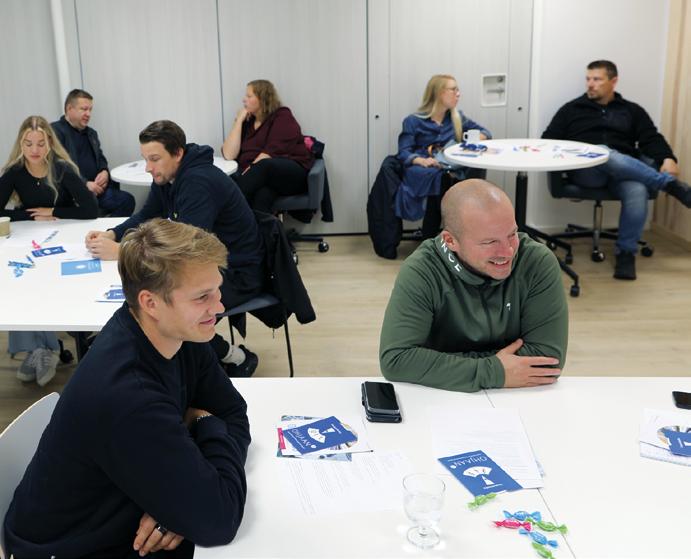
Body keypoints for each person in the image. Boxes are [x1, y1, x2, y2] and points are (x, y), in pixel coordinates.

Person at [5, 219, 251, 558]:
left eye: (217, 290)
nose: (219, 307)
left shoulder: (178, 334)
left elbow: (234, 412)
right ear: (151, 303)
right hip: (72, 547)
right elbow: (219, 519)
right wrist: (204, 423)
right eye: (202, 297)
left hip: (117, 507)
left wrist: (180, 507)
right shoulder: (129, 394)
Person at [85, 120, 264, 377]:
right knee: (155, 304)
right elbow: (147, 214)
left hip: (237, 272)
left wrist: (120, 251)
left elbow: (184, 250)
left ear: (178, 153)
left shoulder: (198, 182)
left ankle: (235, 358)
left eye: (154, 159)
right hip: (206, 267)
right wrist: (113, 233)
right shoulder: (169, 176)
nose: (148, 168)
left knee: (166, 309)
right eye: (146, 159)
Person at [379, 179, 568, 392]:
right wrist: (494, 370)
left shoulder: (536, 262)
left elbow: (547, 362)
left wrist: (441, 365)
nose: (507, 251)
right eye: (490, 242)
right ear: (450, 241)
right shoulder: (422, 271)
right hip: (442, 396)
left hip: (515, 393)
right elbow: (396, 359)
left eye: (512, 234)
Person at [542, 60, 691, 280]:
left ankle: (626, 254)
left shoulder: (632, 111)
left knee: (637, 190)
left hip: (623, 172)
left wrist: (668, 158)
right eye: (588, 79)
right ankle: (668, 185)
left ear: (613, 81)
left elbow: (651, 138)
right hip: (587, 172)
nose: (590, 84)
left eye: (597, 79)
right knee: (602, 151)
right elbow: (548, 140)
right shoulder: (571, 110)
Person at [0, 115, 98, 387]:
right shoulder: (15, 171)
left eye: (40, 143)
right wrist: (30, 216)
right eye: (28, 143)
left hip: (64, 238)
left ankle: (46, 348)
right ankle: (38, 349)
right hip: (29, 240)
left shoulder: (61, 168)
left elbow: (90, 209)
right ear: (21, 144)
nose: (34, 150)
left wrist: (54, 211)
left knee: (46, 281)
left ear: (50, 143)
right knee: (20, 278)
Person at [397, 74, 492, 239]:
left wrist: (468, 141)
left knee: (473, 171)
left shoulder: (457, 118)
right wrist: (422, 160)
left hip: (447, 166)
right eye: (453, 89)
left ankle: (463, 232)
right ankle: (432, 235)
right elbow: (403, 152)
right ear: (439, 93)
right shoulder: (413, 121)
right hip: (422, 168)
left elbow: (486, 133)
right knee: (440, 178)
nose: (458, 94)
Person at [221, 79, 314, 213]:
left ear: (263, 98)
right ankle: (258, 227)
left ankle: (226, 208)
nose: (244, 100)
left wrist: (248, 173)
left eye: (249, 96)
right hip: (262, 180)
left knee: (264, 165)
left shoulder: (282, 116)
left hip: (290, 174)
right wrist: (239, 121)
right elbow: (229, 154)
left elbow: (270, 153)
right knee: (263, 196)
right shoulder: (248, 122)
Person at [52, 89, 135, 217]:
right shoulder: (55, 132)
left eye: (90, 110)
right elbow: (58, 166)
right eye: (84, 109)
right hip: (73, 194)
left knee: (127, 201)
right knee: (93, 210)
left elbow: (100, 158)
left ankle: (108, 229)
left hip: (97, 190)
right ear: (69, 109)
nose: (88, 114)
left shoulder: (91, 133)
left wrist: (104, 171)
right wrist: (85, 184)